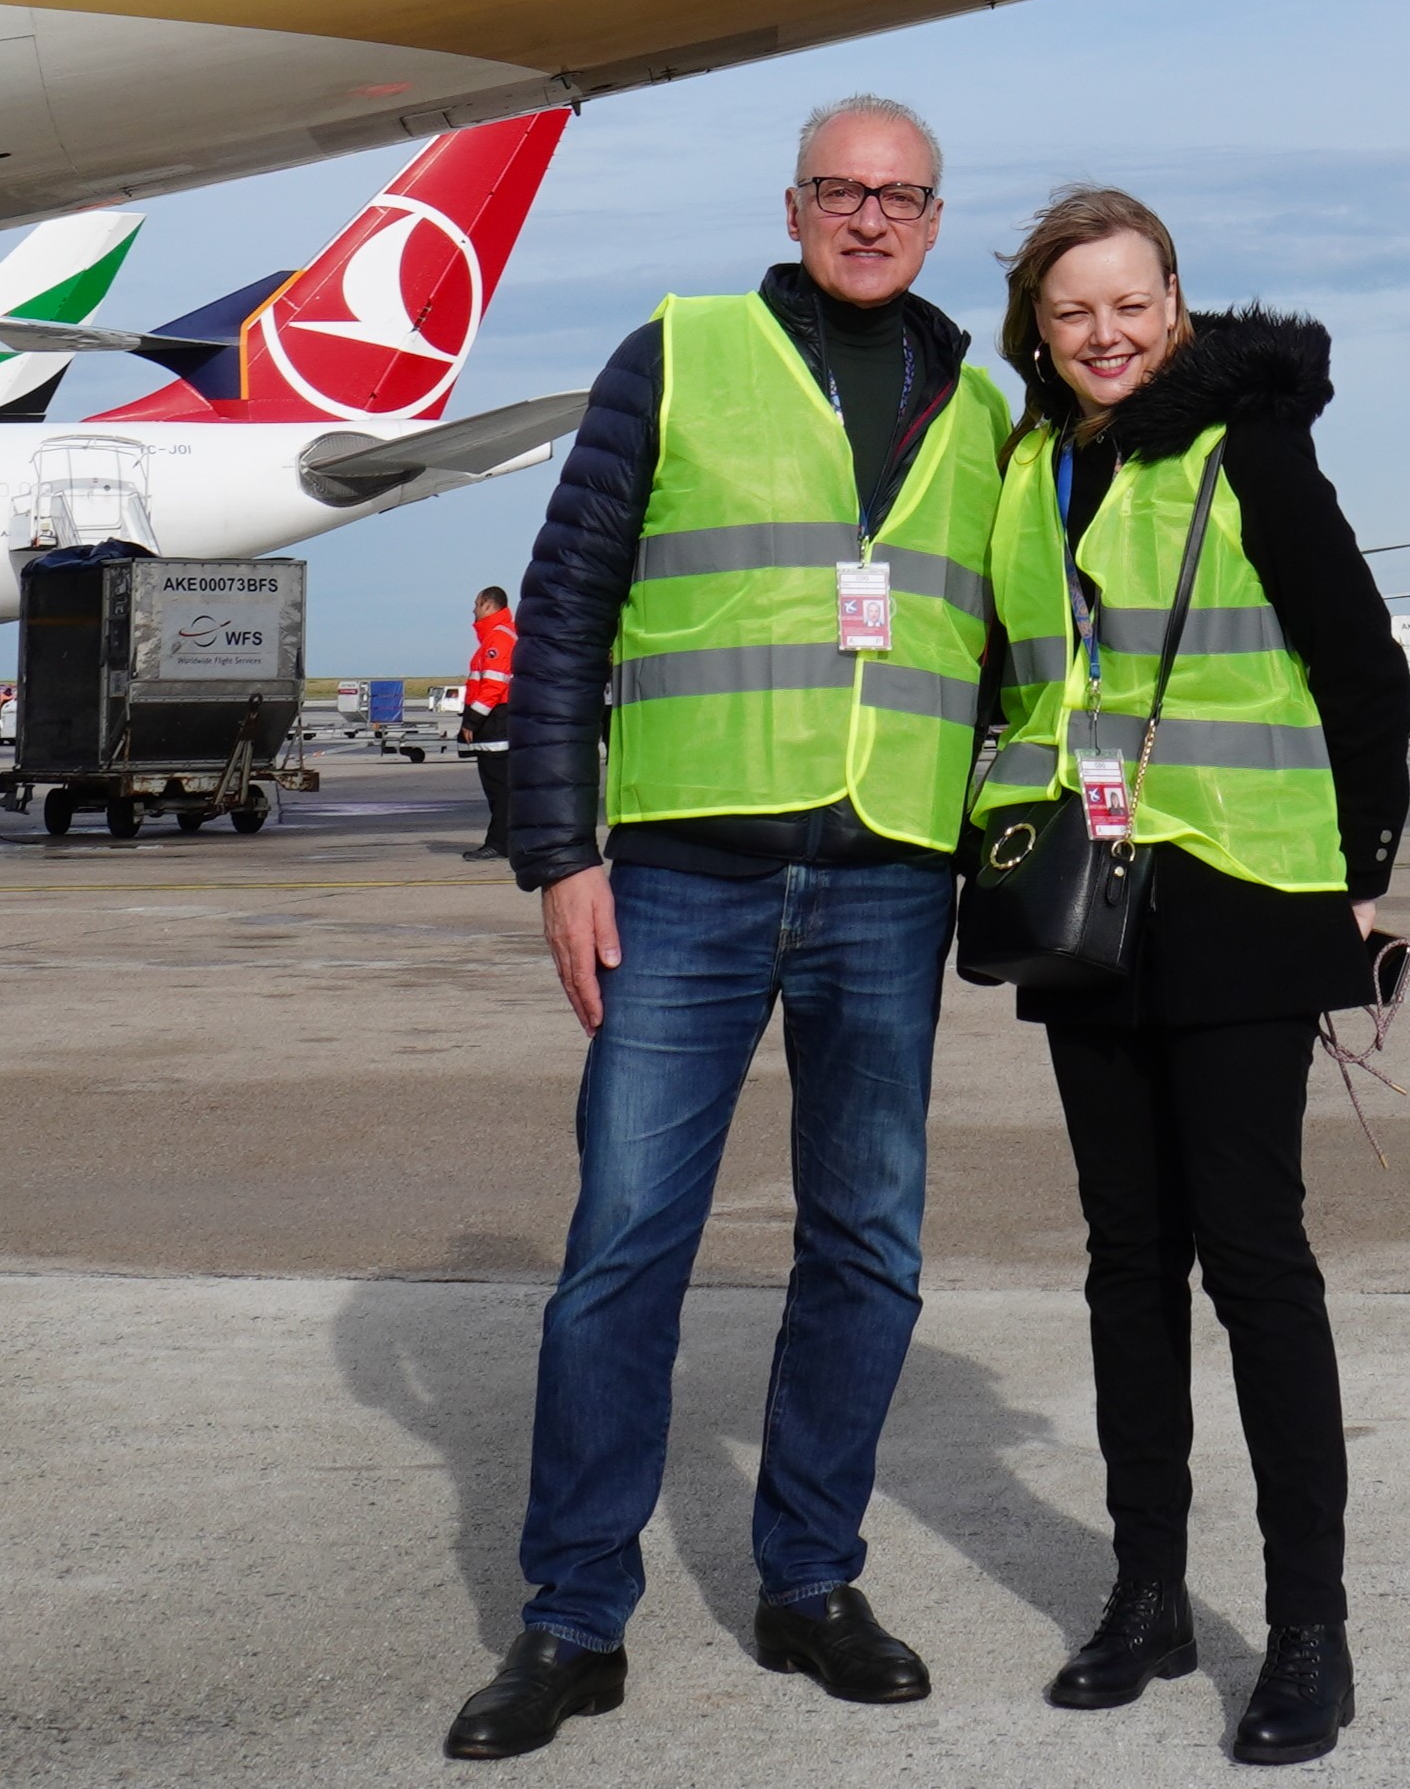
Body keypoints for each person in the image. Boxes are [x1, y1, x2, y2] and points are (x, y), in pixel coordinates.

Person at [446, 97, 1015, 1761]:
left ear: (931, 216)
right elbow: (565, 606)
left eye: (900, 194)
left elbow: (1017, 647)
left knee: (868, 1244)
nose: (868, 215)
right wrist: (557, 846)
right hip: (684, 873)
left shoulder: (976, 408)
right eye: (841, 188)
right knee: (623, 1244)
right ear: (793, 203)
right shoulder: (680, 350)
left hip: (894, 874)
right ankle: (571, 1615)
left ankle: (809, 1580)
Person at [974, 186, 1407, 1766]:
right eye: (1073, 311)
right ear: (1041, 325)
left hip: (1237, 890)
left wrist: (1357, 880)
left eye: (1130, 304)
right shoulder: (1028, 465)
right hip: (1086, 911)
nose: (1105, 335)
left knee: (1256, 1262)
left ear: (1176, 302)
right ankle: (1144, 1595)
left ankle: (1308, 1631)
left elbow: (1359, 664)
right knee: (1122, 1261)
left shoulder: (1248, 451)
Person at [459, 583, 520, 860]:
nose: (473, 609)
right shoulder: (500, 636)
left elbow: (492, 687)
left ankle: (500, 843)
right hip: (497, 723)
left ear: (487, 604)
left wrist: (471, 721)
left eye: (476, 603)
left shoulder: (497, 639)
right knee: (502, 789)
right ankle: (506, 841)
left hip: (496, 726)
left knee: (500, 790)